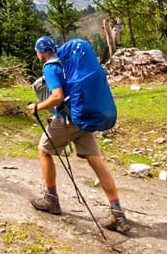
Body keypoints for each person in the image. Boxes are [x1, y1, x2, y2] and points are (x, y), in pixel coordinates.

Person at [26, 35, 130, 233]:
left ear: (40, 52)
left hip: (68, 119)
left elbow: (57, 96)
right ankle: (117, 212)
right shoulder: (67, 62)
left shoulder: (50, 67)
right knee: (95, 159)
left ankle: (51, 199)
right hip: (83, 117)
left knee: (43, 150)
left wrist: (37, 107)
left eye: (37, 52)